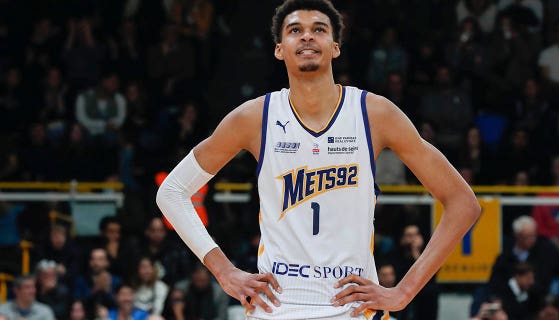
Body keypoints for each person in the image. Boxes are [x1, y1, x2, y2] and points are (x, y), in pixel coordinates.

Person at [156, 1, 481, 319]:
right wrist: (224, 271)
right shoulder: (254, 117)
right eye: (295, 30)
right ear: (279, 48)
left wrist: (403, 292)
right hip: (276, 308)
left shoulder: (374, 113)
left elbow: (463, 203)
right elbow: (172, 192)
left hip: (353, 310)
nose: (307, 36)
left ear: (335, 47)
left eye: (319, 29)